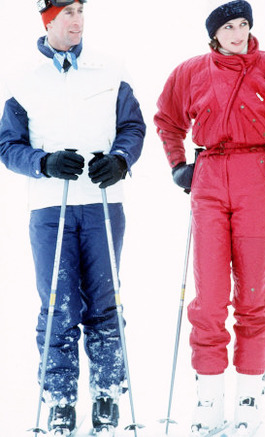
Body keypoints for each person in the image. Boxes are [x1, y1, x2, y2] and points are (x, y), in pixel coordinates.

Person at [154, 1, 265, 435]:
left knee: (253, 294)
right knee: (209, 296)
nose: (238, 33)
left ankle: (250, 396)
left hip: (256, 176)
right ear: (213, 35)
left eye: (244, 25)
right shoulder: (190, 71)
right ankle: (208, 398)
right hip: (209, 174)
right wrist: (178, 163)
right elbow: (167, 119)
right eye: (229, 27)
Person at [0, 1, 145, 435]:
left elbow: (132, 128)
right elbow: (8, 146)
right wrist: (43, 162)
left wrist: (120, 159)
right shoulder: (24, 80)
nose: (78, 21)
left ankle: (107, 395)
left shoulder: (111, 70)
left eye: (81, 11)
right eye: (68, 13)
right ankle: (60, 401)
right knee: (58, 306)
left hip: (102, 202)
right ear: (48, 19)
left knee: (105, 302)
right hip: (50, 208)